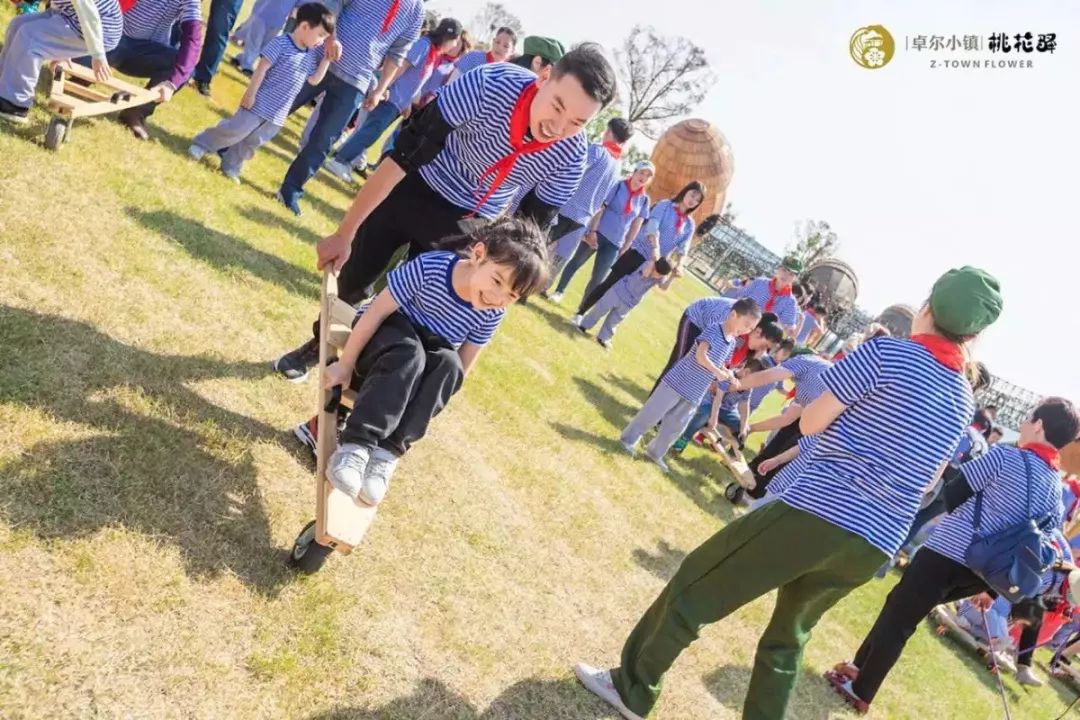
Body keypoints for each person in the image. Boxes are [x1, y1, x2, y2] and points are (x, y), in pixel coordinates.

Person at [573, 266, 1003, 720]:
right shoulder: (962, 397)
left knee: (699, 581)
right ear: (973, 334)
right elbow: (932, 478)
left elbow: (812, 421)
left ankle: (633, 687)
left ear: (927, 309)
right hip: (876, 541)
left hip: (824, 509)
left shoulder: (886, 354)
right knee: (786, 639)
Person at [273, 44, 617, 382]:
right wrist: (345, 233)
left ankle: (368, 385)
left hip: (472, 221)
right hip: (417, 183)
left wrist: (497, 287)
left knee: (420, 310)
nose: (557, 128)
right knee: (355, 279)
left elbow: (528, 235)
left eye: (576, 122)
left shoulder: (571, 158)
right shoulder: (487, 84)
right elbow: (403, 157)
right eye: (557, 107)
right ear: (544, 77)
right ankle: (319, 345)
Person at [827, 396, 1080, 713]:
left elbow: (954, 494)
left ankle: (861, 689)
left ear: (1039, 424)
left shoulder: (1005, 456)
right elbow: (1039, 542)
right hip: (984, 573)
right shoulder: (1056, 489)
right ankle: (856, 669)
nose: (1025, 422)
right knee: (900, 607)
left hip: (949, 551)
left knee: (900, 617)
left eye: (1030, 417)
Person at [311, 218, 548, 505]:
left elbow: (462, 367)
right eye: (497, 280)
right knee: (408, 353)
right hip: (384, 340)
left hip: (421, 359)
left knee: (448, 365)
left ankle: (386, 454)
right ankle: (356, 447)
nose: (497, 297)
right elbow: (375, 313)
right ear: (478, 255)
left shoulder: (492, 312)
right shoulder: (432, 268)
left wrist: (429, 398)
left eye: (511, 295)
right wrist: (346, 365)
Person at [274, 0, 425, 216]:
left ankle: (290, 191)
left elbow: (397, 54)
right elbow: (334, 4)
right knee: (279, 104)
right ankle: (230, 145)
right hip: (321, 58)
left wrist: (380, 89)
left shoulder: (416, 11)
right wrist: (331, 39)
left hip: (357, 80)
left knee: (323, 140)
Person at [188, 5, 337, 181]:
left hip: (277, 114)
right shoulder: (281, 43)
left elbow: (313, 80)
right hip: (259, 103)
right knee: (236, 129)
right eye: (321, 35)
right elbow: (261, 69)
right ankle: (203, 144)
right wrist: (250, 94)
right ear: (304, 26)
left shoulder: (310, 56)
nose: (321, 41)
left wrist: (326, 60)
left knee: (252, 142)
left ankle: (231, 165)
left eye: (325, 38)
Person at [619, 298, 761, 472]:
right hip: (677, 382)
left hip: (695, 393)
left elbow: (722, 364)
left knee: (675, 426)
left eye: (751, 328)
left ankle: (655, 453)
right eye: (746, 324)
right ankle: (628, 440)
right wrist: (717, 372)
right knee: (652, 414)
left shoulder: (731, 343)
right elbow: (700, 356)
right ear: (733, 315)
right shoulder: (713, 330)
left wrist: (729, 375)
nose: (747, 331)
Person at [322, 17, 464, 184]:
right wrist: (384, 88)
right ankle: (340, 161)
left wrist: (407, 104)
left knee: (371, 132)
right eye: (455, 41)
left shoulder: (434, 52)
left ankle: (341, 159)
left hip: (398, 103)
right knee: (370, 132)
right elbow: (401, 66)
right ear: (449, 38)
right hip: (390, 97)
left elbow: (417, 80)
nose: (455, 46)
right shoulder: (424, 46)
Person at [69, 0, 204, 140]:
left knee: (185, 68)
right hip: (112, 36)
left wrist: (172, 84)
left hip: (145, 51)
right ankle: (80, 78)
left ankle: (136, 111)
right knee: (83, 52)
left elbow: (193, 38)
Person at [573, 181, 704, 322]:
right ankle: (581, 313)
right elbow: (652, 226)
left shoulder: (689, 225)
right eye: (692, 195)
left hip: (653, 266)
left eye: (697, 200)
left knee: (628, 297)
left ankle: (604, 332)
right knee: (610, 283)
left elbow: (683, 248)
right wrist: (655, 248)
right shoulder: (665, 205)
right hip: (638, 253)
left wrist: (680, 264)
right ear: (685, 192)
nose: (693, 201)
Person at [546, 159, 654, 305]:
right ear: (634, 172)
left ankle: (581, 310)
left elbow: (636, 225)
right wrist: (593, 231)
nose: (643, 177)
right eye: (642, 173)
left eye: (648, 176)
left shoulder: (644, 200)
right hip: (598, 234)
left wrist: (627, 245)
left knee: (599, 278)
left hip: (615, 243)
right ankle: (559, 291)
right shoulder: (618, 185)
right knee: (576, 262)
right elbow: (601, 208)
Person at [732, 350, 834, 499]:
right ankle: (754, 474)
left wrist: (735, 385)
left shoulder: (804, 362)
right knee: (783, 437)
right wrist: (750, 429)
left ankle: (759, 489)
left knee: (786, 452)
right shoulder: (814, 373)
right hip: (815, 417)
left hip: (826, 426)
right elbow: (786, 419)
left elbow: (767, 376)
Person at [0, 0, 121, 124]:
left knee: (30, 36)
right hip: (69, 15)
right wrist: (61, 47)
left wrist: (98, 55)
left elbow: (89, 14)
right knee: (18, 24)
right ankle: (3, 86)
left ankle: (15, 105)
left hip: (99, 30)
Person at [541, 116, 631, 266]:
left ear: (608, 131)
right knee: (553, 257)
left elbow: (571, 170)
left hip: (565, 209)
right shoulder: (617, 166)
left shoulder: (597, 151)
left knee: (536, 246)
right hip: (582, 219)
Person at [650, 301, 783, 396]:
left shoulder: (743, 333)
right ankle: (655, 402)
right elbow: (713, 346)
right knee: (680, 361)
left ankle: (670, 404)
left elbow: (723, 360)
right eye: (765, 346)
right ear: (757, 332)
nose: (762, 351)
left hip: (709, 329)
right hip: (697, 319)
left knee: (694, 369)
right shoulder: (735, 324)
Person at [575, 257, 674, 350]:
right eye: (657, 272)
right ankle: (584, 325)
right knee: (600, 309)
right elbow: (645, 274)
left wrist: (672, 277)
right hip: (619, 290)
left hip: (631, 301)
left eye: (660, 275)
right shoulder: (648, 264)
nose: (657, 275)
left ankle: (603, 338)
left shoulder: (661, 276)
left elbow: (663, 287)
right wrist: (653, 261)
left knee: (615, 320)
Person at [729, 256, 803, 334]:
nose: (785, 275)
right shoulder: (760, 282)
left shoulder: (790, 302)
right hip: (738, 326)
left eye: (791, 274)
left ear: (795, 278)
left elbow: (787, 328)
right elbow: (739, 299)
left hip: (758, 337)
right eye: (784, 270)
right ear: (778, 269)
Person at [447, 26, 516, 83]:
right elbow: (451, 83)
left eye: (506, 46)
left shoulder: (507, 75)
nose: (499, 47)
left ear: (512, 51)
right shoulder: (473, 57)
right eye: (497, 42)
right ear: (493, 41)